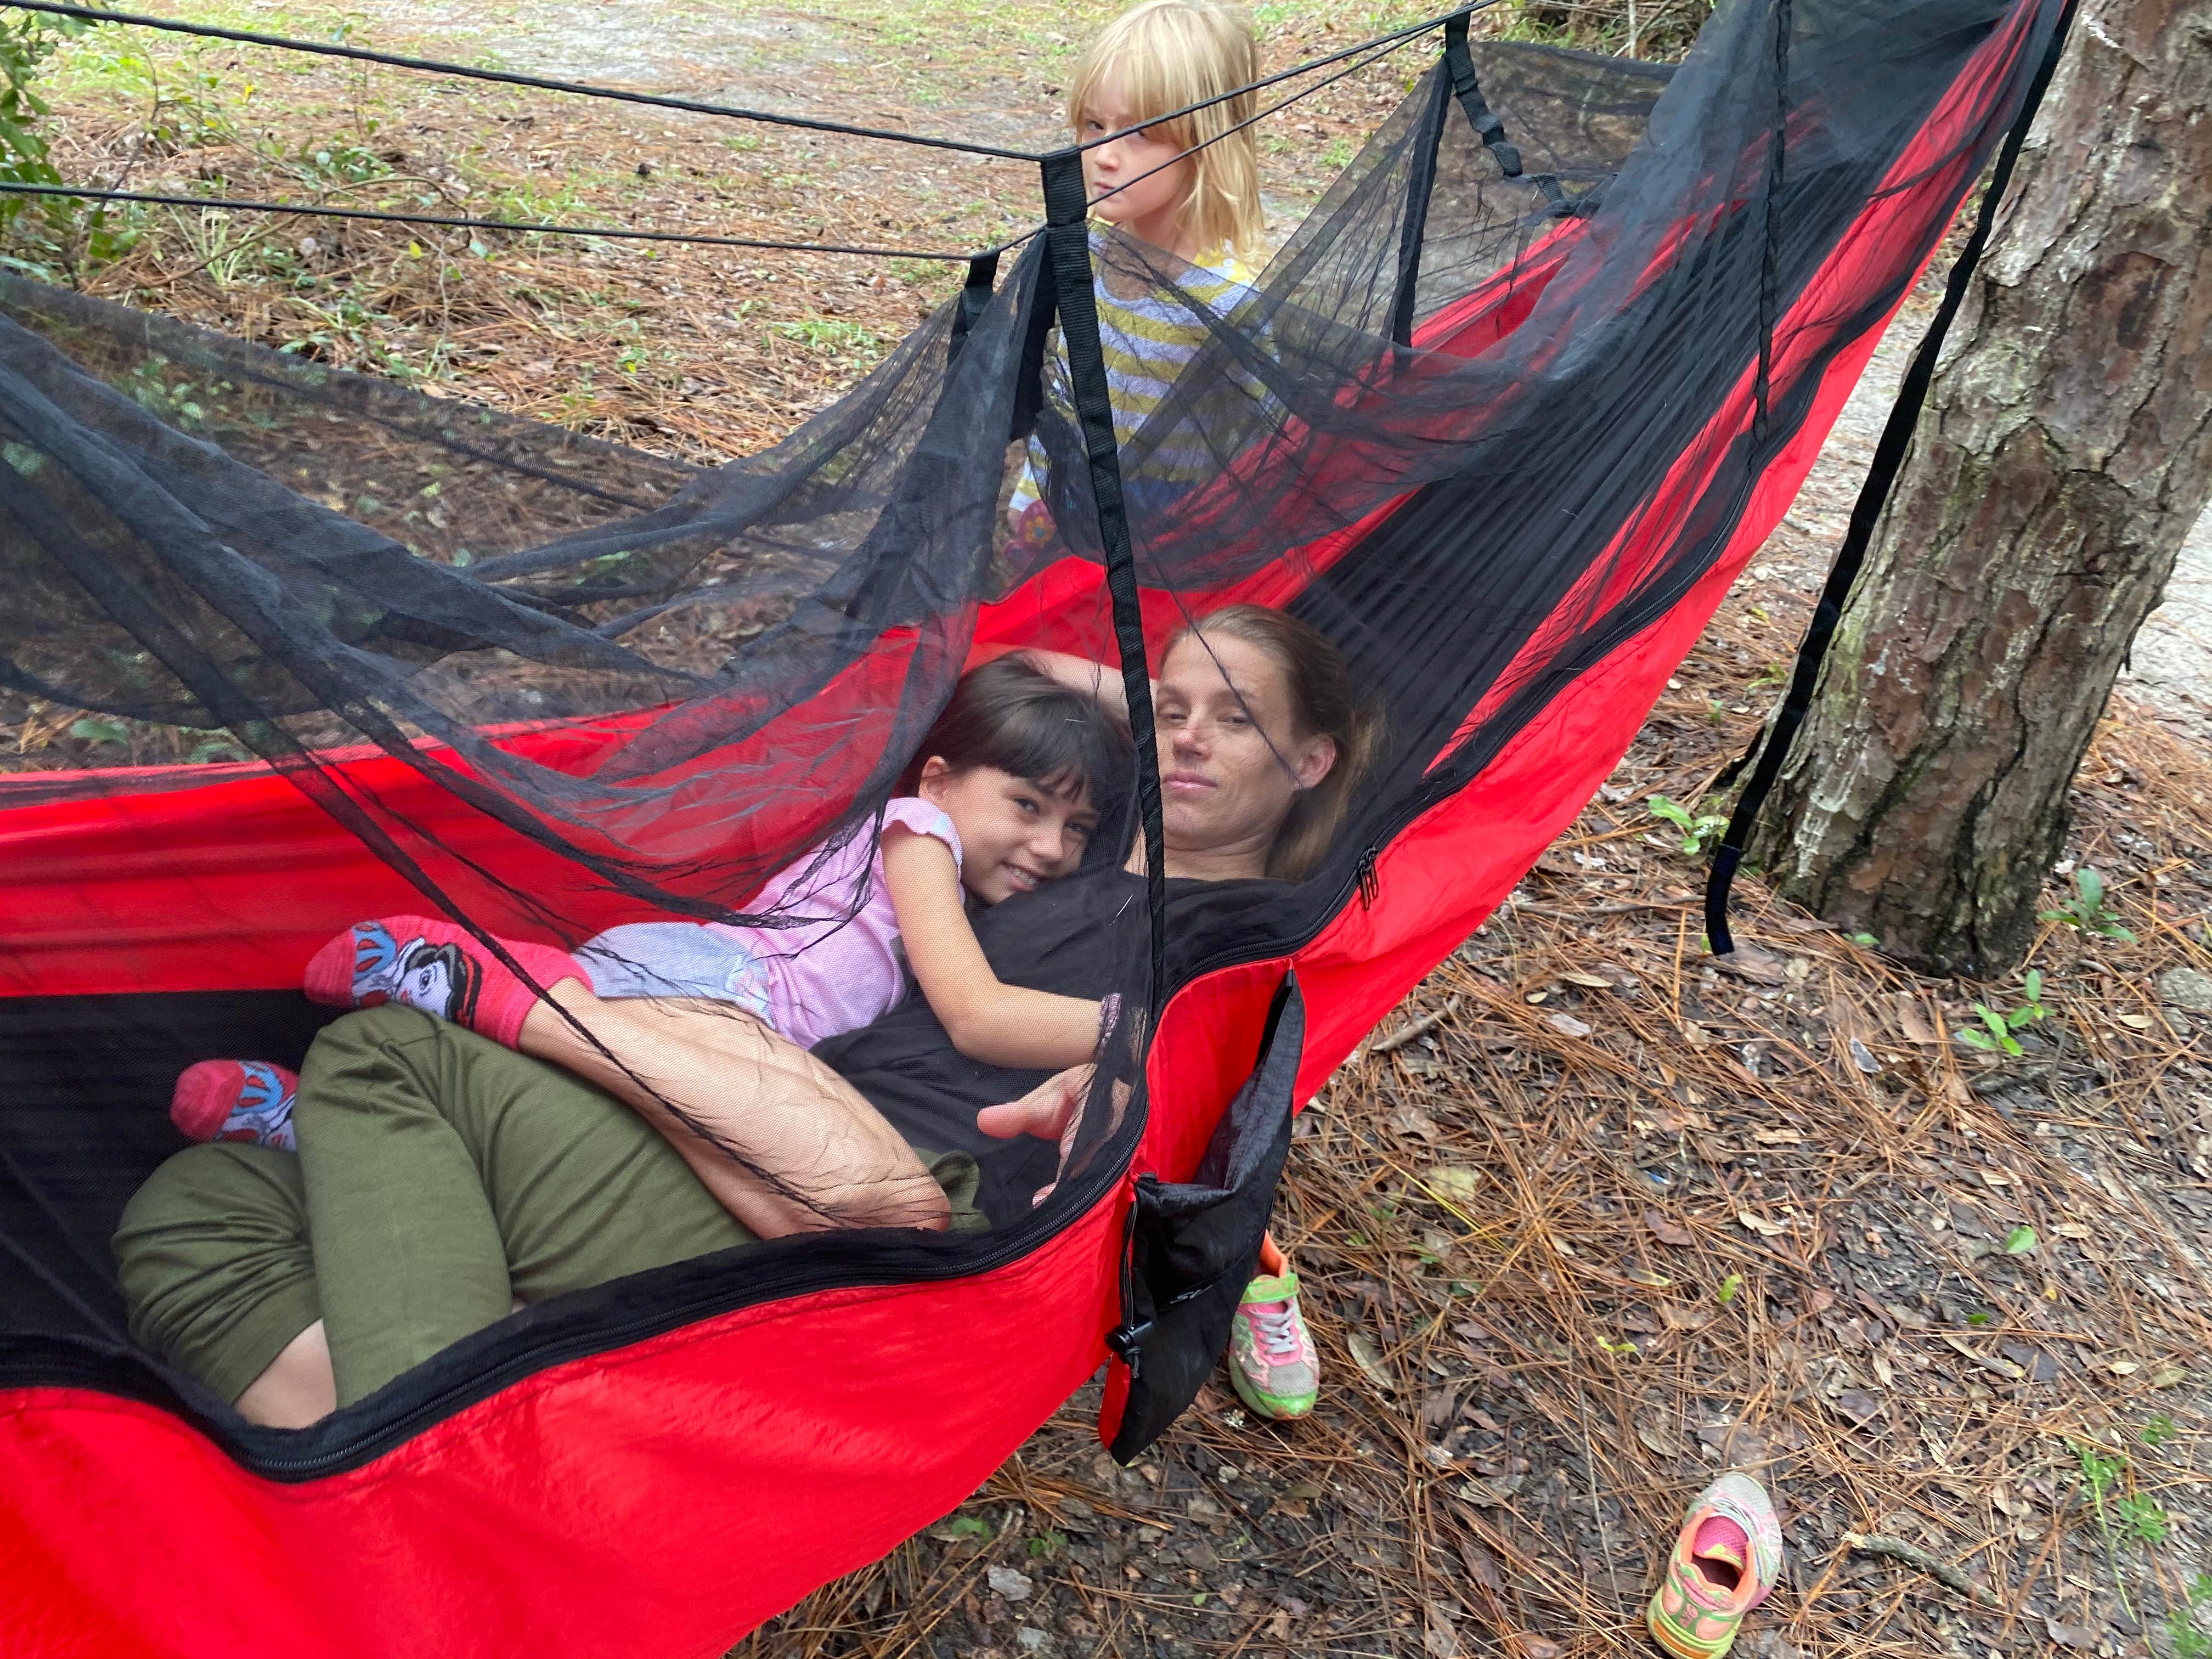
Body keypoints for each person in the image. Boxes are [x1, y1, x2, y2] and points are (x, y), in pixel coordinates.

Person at [113, 605, 1379, 1431]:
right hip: (728, 1110)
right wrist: (1167, 702)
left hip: (861, 1192)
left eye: (1239, 723)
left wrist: (1119, 1068)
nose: (1190, 743)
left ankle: (437, 1451)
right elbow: (1033, 677)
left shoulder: (1227, 948)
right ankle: (507, 1377)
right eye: (1171, 711)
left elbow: (1176, 1082)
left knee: (387, 1050)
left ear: (1313, 761)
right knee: (200, 1208)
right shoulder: (1082, 839)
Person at [166, 657, 1131, 1152]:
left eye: (1080, 827)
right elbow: (973, 1011)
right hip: (732, 989)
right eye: (1029, 806)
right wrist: (1136, 1031)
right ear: (939, 774)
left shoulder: (948, 841)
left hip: (731, 1003)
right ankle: (445, 967)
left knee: (537, 1110)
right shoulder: (921, 833)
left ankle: (309, 1122)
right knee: (546, 1057)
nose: (1052, 847)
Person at [1006, 0, 1269, 558]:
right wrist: (1028, 498)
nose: (1104, 156)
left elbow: (1268, 443)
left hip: (1153, 546)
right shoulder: (1078, 253)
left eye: (1142, 134)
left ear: (1207, 140)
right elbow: (1059, 395)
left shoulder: (1227, 302)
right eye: (1094, 125)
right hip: (1048, 514)